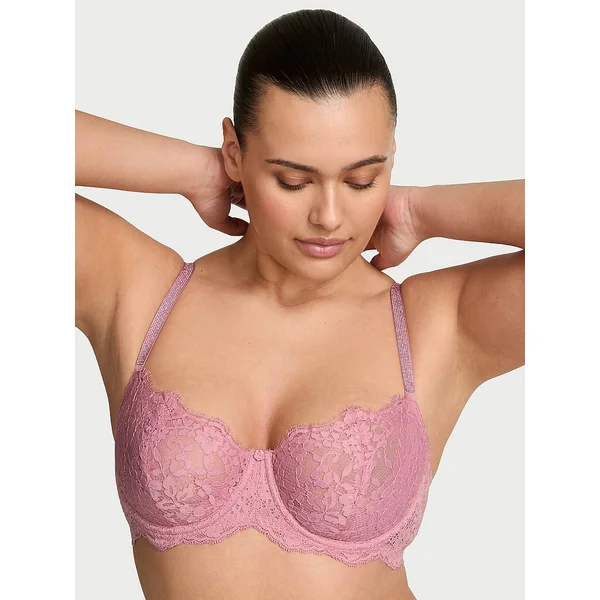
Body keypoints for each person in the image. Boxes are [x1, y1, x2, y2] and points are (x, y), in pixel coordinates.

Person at [75, 8, 524, 600]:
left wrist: (422, 211)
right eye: (292, 180)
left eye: (362, 180)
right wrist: (195, 171)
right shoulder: (139, 292)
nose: (330, 216)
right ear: (236, 152)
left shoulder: (436, 325)